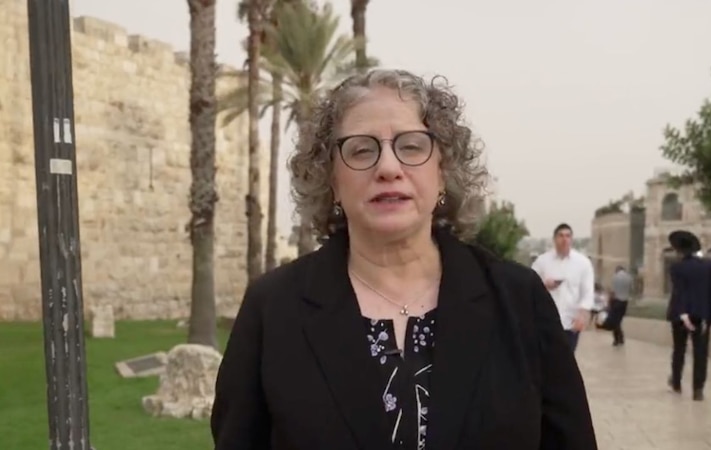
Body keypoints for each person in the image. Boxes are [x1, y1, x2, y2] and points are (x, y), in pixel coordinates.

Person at [210, 69, 597, 450]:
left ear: (443, 172)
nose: (388, 168)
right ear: (331, 180)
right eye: (361, 149)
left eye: (411, 146)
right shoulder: (273, 309)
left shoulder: (518, 300)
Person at [665, 230, 711, 401]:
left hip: (680, 314)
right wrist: (710, 305)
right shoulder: (709, 266)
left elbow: (678, 291)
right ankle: (698, 390)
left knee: (679, 350)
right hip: (702, 315)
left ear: (679, 250)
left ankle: (676, 383)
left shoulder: (676, 268)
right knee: (700, 353)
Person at [531, 223, 594, 352]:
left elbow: (587, 292)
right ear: (554, 239)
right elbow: (529, 286)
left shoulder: (583, 263)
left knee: (567, 361)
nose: (564, 239)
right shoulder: (542, 262)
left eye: (568, 236)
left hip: (570, 323)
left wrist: (582, 315)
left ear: (572, 239)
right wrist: (544, 285)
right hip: (546, 322)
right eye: (561, 236)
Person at [608, 266, 633, 346]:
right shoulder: (629, 277)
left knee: (615, 321)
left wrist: (609, 302)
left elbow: (612, 291)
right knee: (619, 320)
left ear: (617, 270)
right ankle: (621, 338)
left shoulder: (615, 277)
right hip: (625, 302)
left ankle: (617, 339)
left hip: (616, 301)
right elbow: (631, 289)